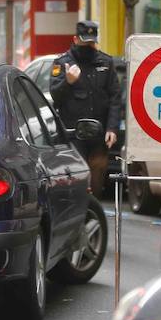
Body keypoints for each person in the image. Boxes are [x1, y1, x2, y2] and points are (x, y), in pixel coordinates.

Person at [49, 20, 121, 197]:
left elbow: (115, 97)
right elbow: (55, 98)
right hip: (73, 135)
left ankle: (91, 211)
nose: (89, 45)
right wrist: (68, 82)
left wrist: (112, 128)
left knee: (96, 184)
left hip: (99, 134)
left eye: (92, 41)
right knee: (77, 180)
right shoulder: (62, 63)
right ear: (75, 39)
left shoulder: (106, 62)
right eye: (85, 41)